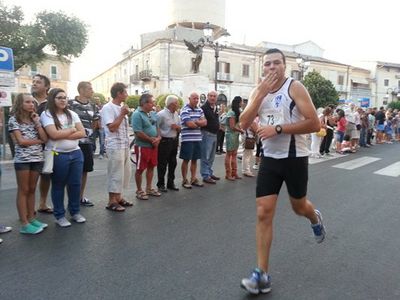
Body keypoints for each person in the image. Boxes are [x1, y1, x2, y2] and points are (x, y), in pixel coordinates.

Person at [239, 48, 326, 295]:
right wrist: (259, 97)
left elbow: (314, 123)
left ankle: (314, 217)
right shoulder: (259, 91)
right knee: (263, 212)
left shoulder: (295, 87)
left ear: (284, 66)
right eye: (267, 64)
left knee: (299, 206)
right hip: (270, 159)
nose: (272, 67)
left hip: (295, 158)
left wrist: (277, 129)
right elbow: (243, 123)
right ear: (263, 68)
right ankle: (261, 274)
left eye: (277, 63)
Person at [40, 88, 86, 227]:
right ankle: (59, 215)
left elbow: (82, 132)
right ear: (52, 99)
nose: (63, 100)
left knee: (75, 184)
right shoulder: (46, 114)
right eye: (59, 97)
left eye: (65, 97)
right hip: (58, 154)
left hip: (76, 153)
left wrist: (64, 132)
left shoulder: (72, 114)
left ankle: (75, 212)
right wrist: (72, 130)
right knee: (58, 185)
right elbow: (53, 135)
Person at [8, 93, 48, 234]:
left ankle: (31, 218)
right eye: (27, 102)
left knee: (32, 189)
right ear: (20, 104)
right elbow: (21, 142)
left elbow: (45, 138)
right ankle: (24, 223)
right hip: (23, 160)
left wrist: (37, 122)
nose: (31, 104)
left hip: (37, 158)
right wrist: (38, 142)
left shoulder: (34, 119)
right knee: (23, 190)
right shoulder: (14, 120)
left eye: (32, 102)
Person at [100, 82, 131, 212]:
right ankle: (111, 201)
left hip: (124, 145)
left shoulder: (121, 108)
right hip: (115, 146)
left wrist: (123, 113)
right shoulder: (108, 108)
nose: (127, 95)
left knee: (124, 173)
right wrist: (122, 114)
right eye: (125, 92)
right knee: (115, 173)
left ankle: (118, 197)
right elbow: (112, 128)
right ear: (119, 93)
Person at [69, 81, 100, 207]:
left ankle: (80, 197)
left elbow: (96, 122)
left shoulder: (93, 106)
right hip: (73, 142)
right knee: (71, 171)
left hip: (87, 143)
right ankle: (72, 198)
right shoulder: (70, 104)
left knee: (85, 170)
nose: (92, 91)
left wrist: (91, 136)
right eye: (89, 88)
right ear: (81, 90)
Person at [131, 93, 162, 200]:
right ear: (144, 103)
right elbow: (138, 132)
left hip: (153, 146)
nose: (153, 104)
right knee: (140, 169)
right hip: (142, 146)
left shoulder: (152, 114)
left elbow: (157, 127)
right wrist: (151, 139)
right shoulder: (137, 114)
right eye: (151, 102)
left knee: (151, 166)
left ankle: (149, 188)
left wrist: (158, 138)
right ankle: (139, 190)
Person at [31, 74, 53, 214]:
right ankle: (29, 208)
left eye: (38, 82)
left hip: (48, 144)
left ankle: (42, 203)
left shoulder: (52, 102)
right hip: (30, 145)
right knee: (31, 179)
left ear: (46, 87)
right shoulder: (26, 100)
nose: (34, 84)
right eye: (33, 82)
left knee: (46, 175)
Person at [179, 92, 207, 189]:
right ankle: (184, 179)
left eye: (197, 98)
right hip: (187, 139)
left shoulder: (200, 109)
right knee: (186, 160)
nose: (196, 100)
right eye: (194, 98)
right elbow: (189, 124)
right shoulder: (184, 110)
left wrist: (195, 122)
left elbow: (205, 122)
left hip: (197, 138)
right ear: (189, 98)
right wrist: (198, 122)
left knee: (195, 159)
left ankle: (193, 178)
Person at [156, 95, 181, 192]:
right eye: (177, 103)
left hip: (174, 140)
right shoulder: (161, 114)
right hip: (164, 141)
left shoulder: (176, 114)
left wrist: (177, 128)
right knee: (162, 164)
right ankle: (161, 184)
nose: (178, 105)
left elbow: (179, 127)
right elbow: (156, 127)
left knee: (173, 163)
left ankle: (171, 183)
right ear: (171, 104)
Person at [200, 91, 220, 184]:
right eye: (211, 96)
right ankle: (205, 175)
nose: (212, 98)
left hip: (214, 134)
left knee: (211, 156)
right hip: (206, 134)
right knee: (205, 156)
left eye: (214, 96)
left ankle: (209, 172)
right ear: (207, 97)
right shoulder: (204, 108)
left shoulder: (215, 108)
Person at [224, 96, 244, 181]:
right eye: (242, 101)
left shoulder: (236, 112)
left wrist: (240, 129)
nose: (242, 103)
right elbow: (232, 126)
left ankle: (234, 173)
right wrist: (240, 130)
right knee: (229, 154)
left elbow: (236, 125)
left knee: (234, 154)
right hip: (231, 135)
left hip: (235, 135)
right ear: (238, 102)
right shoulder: (231, 113)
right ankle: (228, 174)